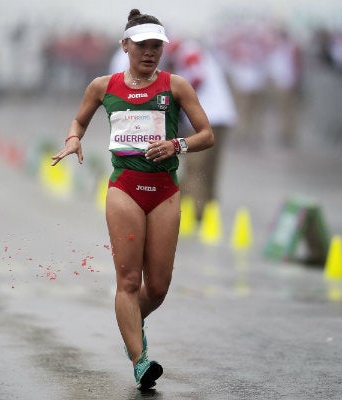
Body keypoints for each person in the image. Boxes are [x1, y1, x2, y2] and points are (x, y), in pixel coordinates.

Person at [51, 9, 214, 390]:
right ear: (125, 45)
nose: (150, 53)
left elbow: (207, 134)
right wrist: (74, 138)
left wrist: (178, 144)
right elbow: (79, 122)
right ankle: (140, 360)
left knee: (157, 286)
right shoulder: (102, 87)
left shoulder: (176, 87)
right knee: (127, 279)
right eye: (142, 46)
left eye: (157, 46)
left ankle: (130, 322)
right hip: (124, 188)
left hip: (164, 191)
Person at [165, 37, 237, 221]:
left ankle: (195, 213)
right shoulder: (198, 52)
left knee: (195, 168)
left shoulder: (188, 53)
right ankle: (209, 211)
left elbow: (196, 78)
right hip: (221, 116)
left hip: (205, 118)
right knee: (210, 167)